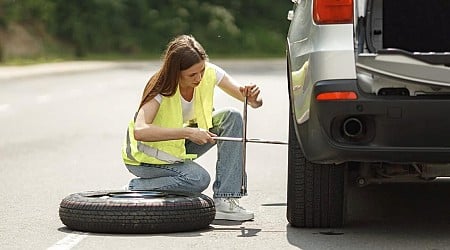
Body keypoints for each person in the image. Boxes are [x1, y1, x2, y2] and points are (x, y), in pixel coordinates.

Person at [121, 34, 263, 221]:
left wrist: (252, 99)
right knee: (198, 179)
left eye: (202, 71)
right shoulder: (160, 87)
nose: (199, 78)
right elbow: (140, 131)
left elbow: (252, 101)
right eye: (192, 75)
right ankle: (136, 186)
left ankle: (225, 202)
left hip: (176, 148)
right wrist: (189, 132)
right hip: (145, 159)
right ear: (175, 72)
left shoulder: (209, 73)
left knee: (232, 116)